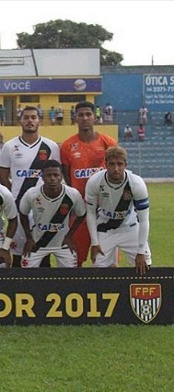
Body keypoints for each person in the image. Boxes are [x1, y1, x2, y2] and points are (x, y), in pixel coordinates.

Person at [0, 106, 61, 267]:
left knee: (42, 252)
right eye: (26, 117)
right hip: (18, 205)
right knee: (18, 253)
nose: (29, 121)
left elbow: (56, 174)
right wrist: (14, 194)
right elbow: (3, 175)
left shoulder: (51, 147)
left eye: (33, 117)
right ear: (20, 121)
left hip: (43, 206)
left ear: (39, 121)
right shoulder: (9, 146)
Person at [60, 100, 117, 267]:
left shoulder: (108, 143)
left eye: (88, 114)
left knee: (108, 260)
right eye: (81, 115)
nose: (85, 118)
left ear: (95, 117)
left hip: (105, 208)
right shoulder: (67, 146)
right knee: (75, 258)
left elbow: (117, 173)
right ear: (75, 118)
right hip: (80, 210)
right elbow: (67, 176)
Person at [85, 146, 151, 275]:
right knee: (99, 271)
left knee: (144, 266)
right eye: (112, 164)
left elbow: (144, 220)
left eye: (120, 164)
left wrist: (141, 251)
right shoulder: (95, 181)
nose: (116, 169)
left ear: (126, 165)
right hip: (105, 229)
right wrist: (94, 242)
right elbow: (91, 213)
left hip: (130, 229)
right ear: (105, 164)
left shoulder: (136, 183)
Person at [19, 160, 86, 268]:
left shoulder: (72, 194)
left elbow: (81, 214)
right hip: (37, 243)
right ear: (42, 177)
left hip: (62, 243)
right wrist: (29, 238)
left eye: (56, 175)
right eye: (48, 175)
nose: (52, 178)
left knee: (71, 275)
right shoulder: (32, 194)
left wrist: (70, 235)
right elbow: (23, 213)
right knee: (26, 274)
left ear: (61, 176)